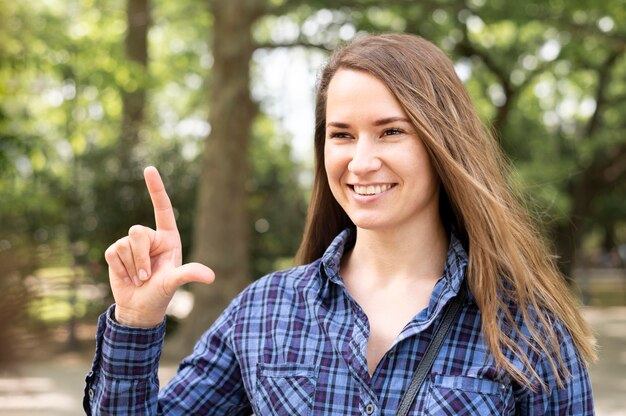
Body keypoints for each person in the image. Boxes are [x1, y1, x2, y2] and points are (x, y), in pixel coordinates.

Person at [84, 33, 596, 415]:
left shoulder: (527, 329)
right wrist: (136, 321)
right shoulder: (264, 312)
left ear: (443, 144)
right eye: (342, 135)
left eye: (391, 131)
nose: (362, 161)